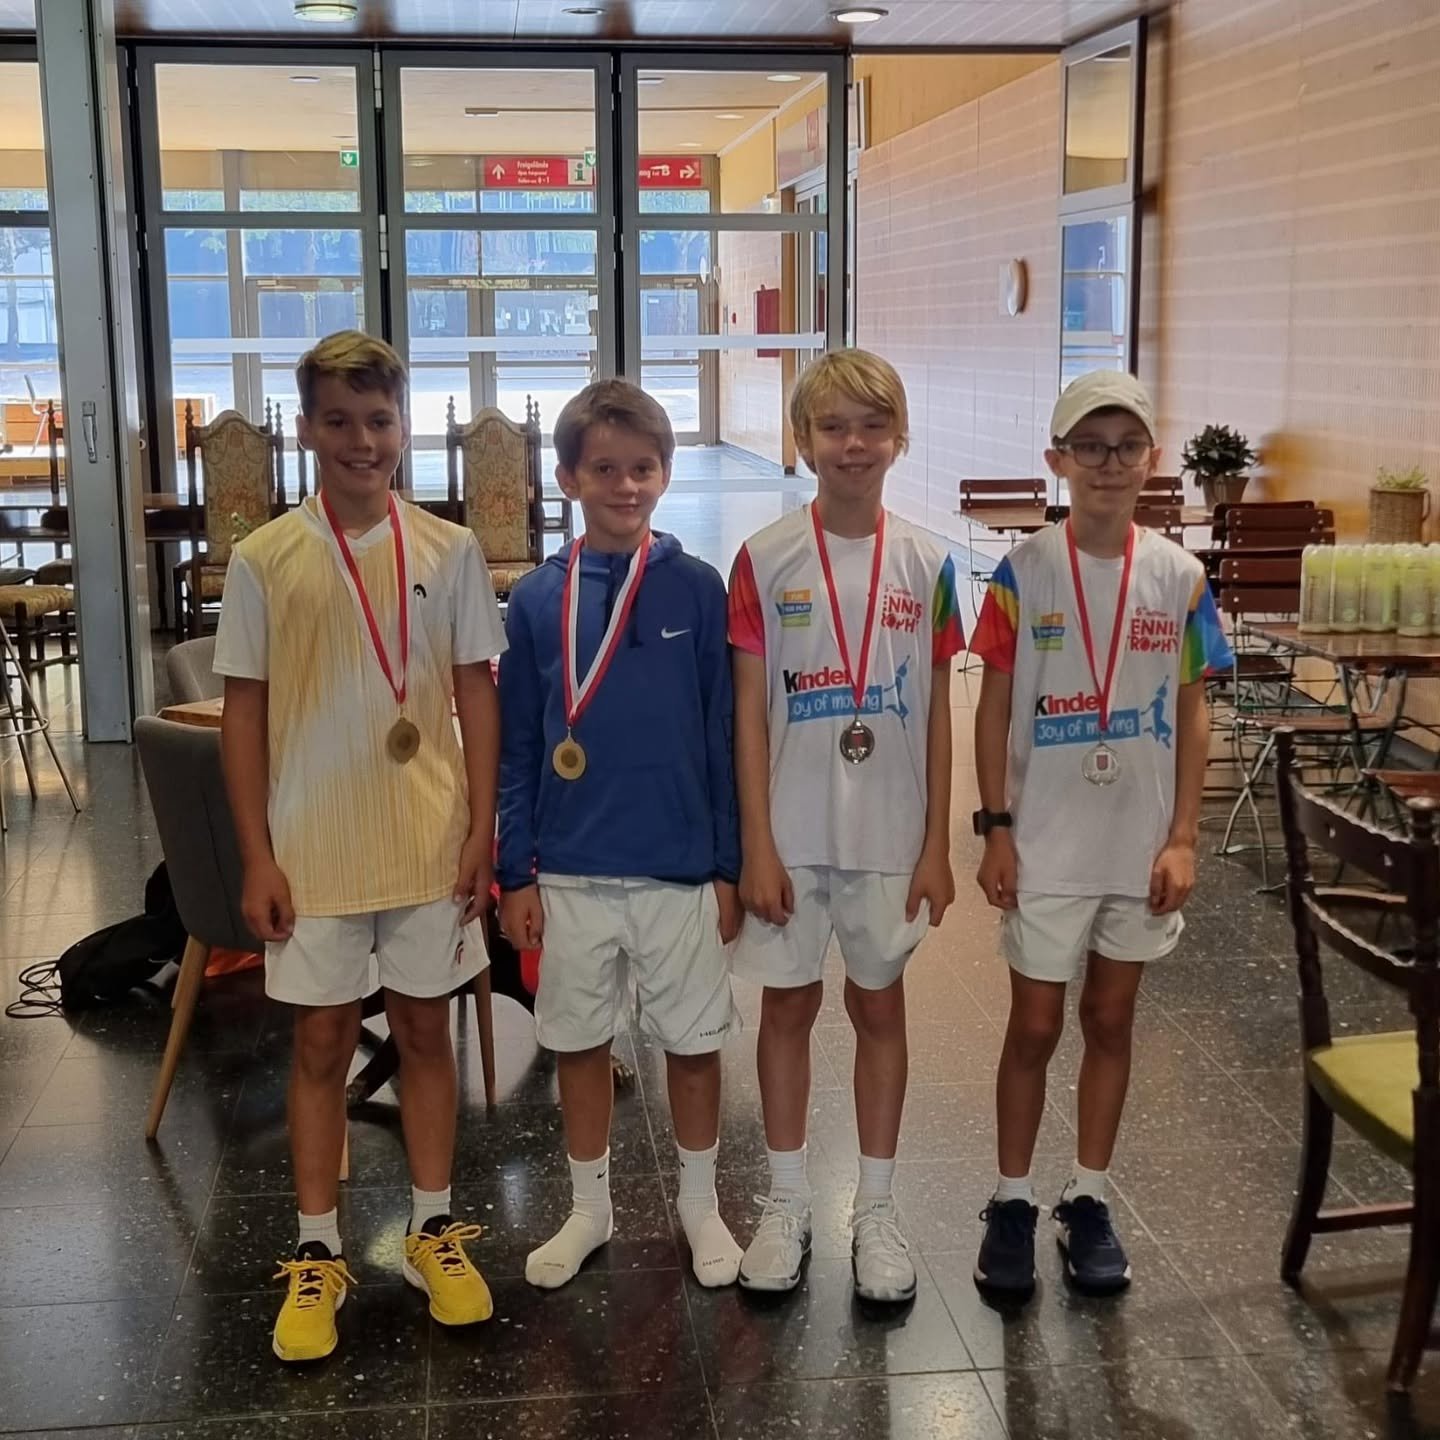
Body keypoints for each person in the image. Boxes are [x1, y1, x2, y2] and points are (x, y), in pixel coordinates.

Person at [215, 331, 504, 1362]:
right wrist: (257, 854)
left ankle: (431, 1228)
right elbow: (243, 715)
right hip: (314, 849)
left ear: (403, 426)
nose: (361, 440)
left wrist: (482, 827)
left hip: (427, 840)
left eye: (379, 420)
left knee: (426, 1033)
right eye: (338, 420)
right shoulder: (264, 559)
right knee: (321, 1047)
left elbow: (476, 691)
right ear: (306, 430)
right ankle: (318, 1247)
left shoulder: (449, 550)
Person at [969, 370, 1233, 1300]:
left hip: (1138, 842)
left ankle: (1087, 1195)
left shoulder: (1180, 578)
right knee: (1035, 1025)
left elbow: (1194, 709)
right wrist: (996, 827)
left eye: (1126, 447)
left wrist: (1184, 835)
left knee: (1112, 1019)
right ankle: (1011, 1200)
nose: (1108, 464)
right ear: (1059, 459)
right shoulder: (1024, 572)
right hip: (1046, 838)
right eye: (1090, 446)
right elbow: (993, 705)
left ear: (1151, 459)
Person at [496, 379, 744, 1291]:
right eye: (604, 469)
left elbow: (722, 734)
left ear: (666, 474)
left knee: (694, 1043)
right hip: (570, 866)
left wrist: (728, 865)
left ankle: (700, 1203)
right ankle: (588, 1207)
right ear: (569, 478)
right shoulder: (535, 599)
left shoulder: (698, 588)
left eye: (643, 468)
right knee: (578, 1041)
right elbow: (520, 747)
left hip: (679, 864)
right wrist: (515, 871)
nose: (625, 486)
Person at [727, 349, 964, 1302]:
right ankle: (786, 1200)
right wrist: (756, 843)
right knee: (785, 1010)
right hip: (791, 832)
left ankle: (876, 1209)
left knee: (879, 1009)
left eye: (872, 426)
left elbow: (940, 711)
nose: (853, 445)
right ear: (803, 439)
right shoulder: (763, 558)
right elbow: (749, 714)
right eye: (833, 427)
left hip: (890, 834)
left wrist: (938, 844)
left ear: (899, 438)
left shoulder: (930, 562)